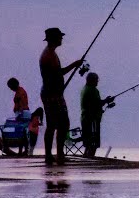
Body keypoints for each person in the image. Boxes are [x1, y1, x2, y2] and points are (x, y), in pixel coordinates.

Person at [39, 27, 83, 165]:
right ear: (54, 39)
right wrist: (74, 65)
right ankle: (58, 154)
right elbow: (58, 73)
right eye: (59, 37)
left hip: (53, 93)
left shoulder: (50, 53)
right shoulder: (49, 55)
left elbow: (57, 74)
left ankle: (53, 154)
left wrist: (74, 65)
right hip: (52, 95)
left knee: (54, 124)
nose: (62, 39)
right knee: (61, 124)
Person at [80, 72, 113, 158]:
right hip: (92, 119)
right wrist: (106, 101)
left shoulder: (85, 89)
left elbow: (93, 103)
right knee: (93, 141)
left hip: (85, 118)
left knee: (88, 141)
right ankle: (90, 157)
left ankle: (86, 157)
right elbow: (97, 104)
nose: (97, 82)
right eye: (96, 80)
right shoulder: (92, 90)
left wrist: (105, 101)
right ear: (92, 80)